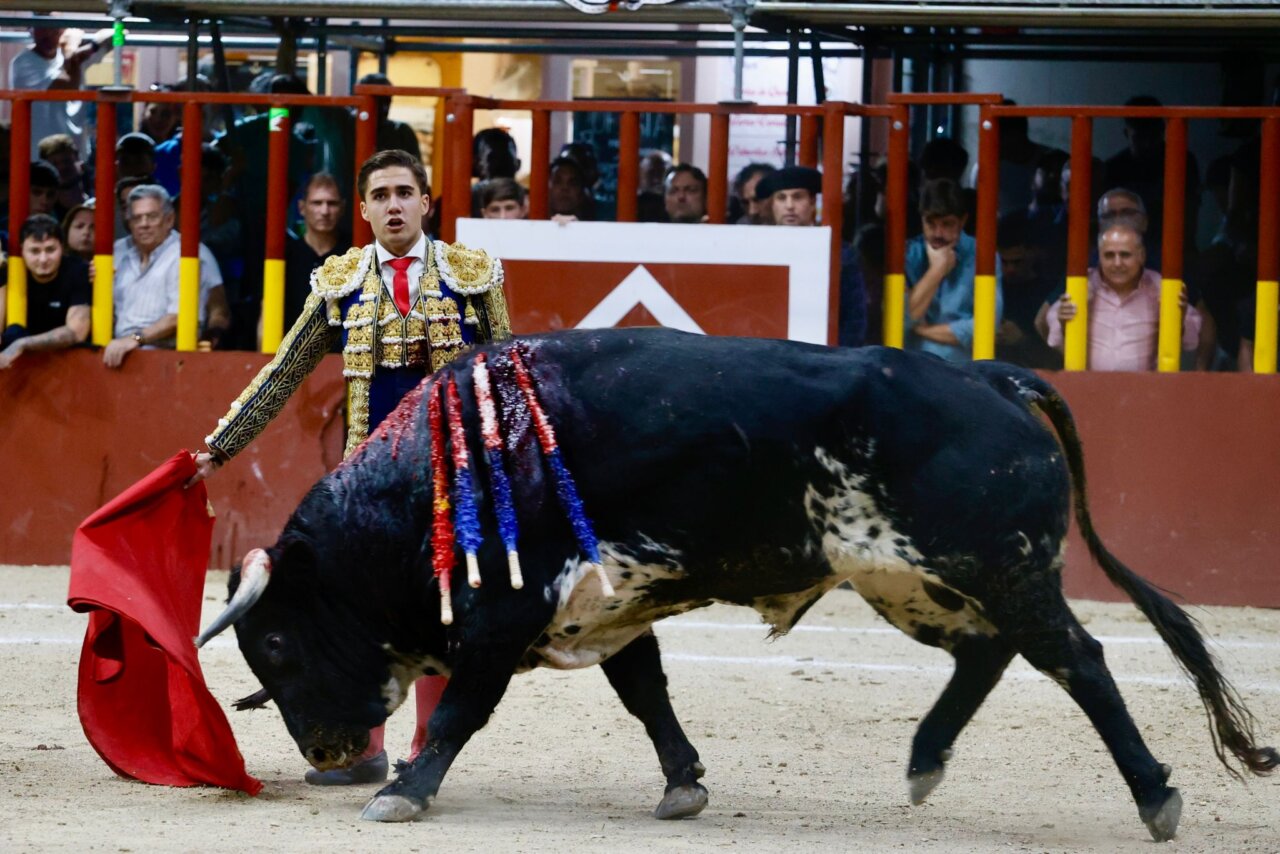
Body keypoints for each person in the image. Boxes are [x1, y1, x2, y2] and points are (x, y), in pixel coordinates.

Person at [190, 149, 512, 786]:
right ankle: (365, 748)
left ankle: (425, 745)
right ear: (363, 211)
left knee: (441, 609)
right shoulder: (339, 282)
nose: (393, 204)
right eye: (381, 195)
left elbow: (504, 377)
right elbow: (284, 373)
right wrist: (220, 446)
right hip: (366, 485)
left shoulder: (472, 275)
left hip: (449, 477)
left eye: (404, 192)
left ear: (425, 202)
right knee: (360, 614)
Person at [1045, 220, 1201, 371]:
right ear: (1099, 257)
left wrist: (1178, 322)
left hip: (1146, 391)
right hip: (1090, 389)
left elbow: (1191, 343)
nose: (1117, 263)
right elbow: (1053, 338)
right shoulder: (1082, 285)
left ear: (1142, 256)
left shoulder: (1161, 286)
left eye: (1125, 255)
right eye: (1109, 255)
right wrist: (1063, 322)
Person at [105, 185, 229, 368]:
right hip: (117, 354)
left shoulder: (188, 254)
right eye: (137, 218)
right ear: (129, 223)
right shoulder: (117, 252)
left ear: (169, 219)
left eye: (152, 216)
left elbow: (178, 316)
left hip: (169, 360)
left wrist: (135, 339)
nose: (144, 223)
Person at [756, 165, 868, 348]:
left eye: (798, 197)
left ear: (812, 202)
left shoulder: (840, 252)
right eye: (782, 198)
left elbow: (854, 317)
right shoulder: (757, 249)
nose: (790, 206)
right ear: (773, 204)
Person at [904, 178, 1003, 362]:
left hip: (963, 373)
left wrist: (920, 329)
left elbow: (985, 328)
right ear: (921, 219)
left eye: (947, 224)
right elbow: (899, 321)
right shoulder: (907, 254)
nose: (938, 233)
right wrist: (936, 271)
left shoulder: (983, 256)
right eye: (930, 223)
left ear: (963, 220)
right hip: (911, 369)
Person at [0, 214, 90, 369]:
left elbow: (76, 332)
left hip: (69, 363)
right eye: (35, 251)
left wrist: (23, 344)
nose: (43, 259)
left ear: (62, 247)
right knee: (13, 332)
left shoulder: (79, 272)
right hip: (18, 366)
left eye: (50, 250)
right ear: (22, 251)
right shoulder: (11, 272)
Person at [8, 21, 114, 153]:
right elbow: (67, 88)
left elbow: (119, 34)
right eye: (40, 27)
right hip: (39, 153)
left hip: (74, 152)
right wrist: (71, 50)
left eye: (53, 27)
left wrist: (90, 46)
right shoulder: (24, 62)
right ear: (31, 30)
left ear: (63, 30)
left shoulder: (72, 55)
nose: (47, 33)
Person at [277, 172, 350, 339]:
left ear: (342, 208)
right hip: (293, 355)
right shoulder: (287, 256)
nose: (324, 211)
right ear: (302, 208)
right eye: (317, 203)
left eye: (332, 203)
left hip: (343, 356)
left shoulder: (354, 253)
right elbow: (268, 310)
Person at [470, 128, 521, 217]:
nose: (503, 217)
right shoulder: (530, 198)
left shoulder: (459, 199)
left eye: (509, 208)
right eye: (493, 159)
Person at [37, 133, 89, 216]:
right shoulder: (43, 209)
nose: (62, 168)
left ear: (77, 159)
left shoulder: (97, 192)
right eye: (55, 164)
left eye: (66, 161)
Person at [548, 155, 592, 221]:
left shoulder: (594, 228)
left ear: (582, 193)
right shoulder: (531, 223)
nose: (565, 188)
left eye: (572, 183)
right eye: (557, 181)